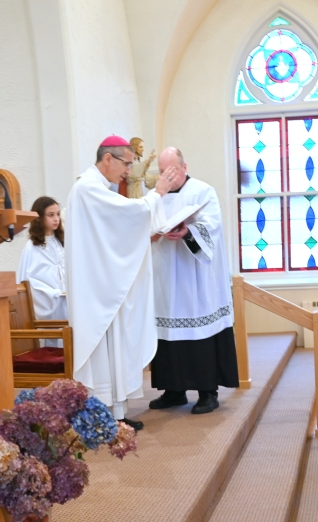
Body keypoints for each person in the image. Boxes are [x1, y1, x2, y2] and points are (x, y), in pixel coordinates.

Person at [65, 135, 191, 431]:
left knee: (115, 349)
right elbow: (127, 215)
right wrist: (157, 193)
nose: (129, 172)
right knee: (102, 350)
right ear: (107, 158)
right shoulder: (87, 188)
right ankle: (100, 418)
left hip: (105, 284)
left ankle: (116, 414)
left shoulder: (97, 188)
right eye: (126, 164)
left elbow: (119, 228)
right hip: (97, 288)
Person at [147, 148, 238, 414]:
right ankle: (173, 390)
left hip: (195, 276)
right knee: (167, 331)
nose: (168, 176)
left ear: (184, 166)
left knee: (200, 330)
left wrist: (188, 231)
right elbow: (144, 222)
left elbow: (213, 226)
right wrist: (152, 233)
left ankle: (207, 392)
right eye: (163, 171)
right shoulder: (155, 196)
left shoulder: (203, 191)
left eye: (172, 170)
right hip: (165, 273)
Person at [17, 196, 67, 347]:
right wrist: (53, 295)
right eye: (50, 215)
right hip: (50, 301)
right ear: (38, 217)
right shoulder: (32, 247)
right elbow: (29, 281)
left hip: (66, 301)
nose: (56, 219)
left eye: (57, 214)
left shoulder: (61, 242)